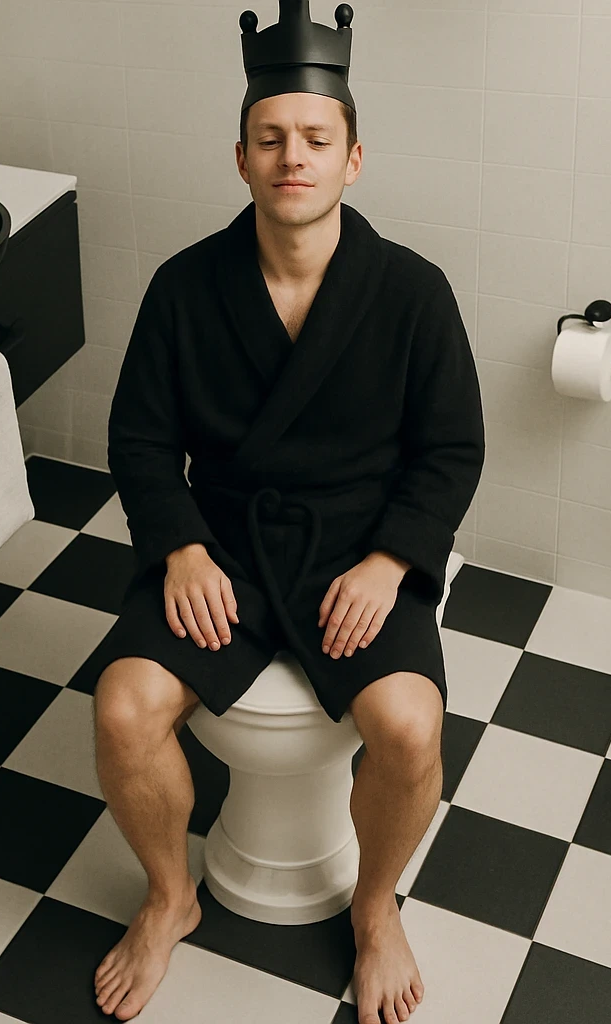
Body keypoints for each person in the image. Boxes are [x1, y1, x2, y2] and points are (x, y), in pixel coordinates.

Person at [91, 5, 485, 1023]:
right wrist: (180, 547)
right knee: (123, 710)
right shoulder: (185, 288)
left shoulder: (413, 294)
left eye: (315, 138)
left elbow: (451, 452)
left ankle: (374, 908)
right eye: (270, 139)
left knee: (409, 729)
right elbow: (140, 441)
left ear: (353, 159)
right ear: (241, 159)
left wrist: (390, 562)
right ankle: (169, 897)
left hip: (355, 551)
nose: (291, 157)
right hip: (222, 543)